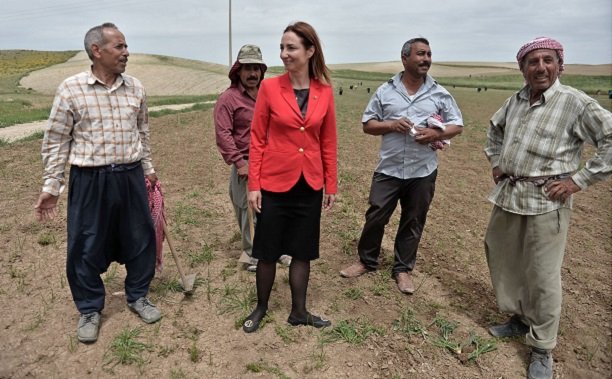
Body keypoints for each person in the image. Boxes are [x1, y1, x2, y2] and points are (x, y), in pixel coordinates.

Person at [483, 37, 611, 379]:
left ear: (559, 64)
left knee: (542, 274)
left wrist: (577, 181)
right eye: (533, 62)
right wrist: (496, 161)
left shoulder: (575, 103)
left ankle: (542, 347)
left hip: (547, 200)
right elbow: (494, 131)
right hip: (510, 194)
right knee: (504, 257)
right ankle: (519, 318)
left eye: (547, 60)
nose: (540, 67)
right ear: (522, 68)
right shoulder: (516, 100)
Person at [34, 22, 162, 344]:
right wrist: (52, 185)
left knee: (140, 238)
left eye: (125, 46)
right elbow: (56, 141)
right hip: (90, 180)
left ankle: (138, 296)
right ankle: (90, 308)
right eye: (119, 47)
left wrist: (148, 169)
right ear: (97, 50)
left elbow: (142, 134)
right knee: (84, 244)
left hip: (130, 176)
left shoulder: (136, 88)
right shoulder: (71, 89)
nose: (126, 52)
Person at [339, 37, 463, 295]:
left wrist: (436, 135)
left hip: (423, 171)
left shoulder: (439, 93)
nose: (426, 59)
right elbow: (367, 125)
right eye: (420, 54)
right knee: (376, 215)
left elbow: (457, 125)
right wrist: (392, 125)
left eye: (429, 54)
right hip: (389, 168)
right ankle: (366, 261)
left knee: (413, 220)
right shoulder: (385, 91)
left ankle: (403, 269)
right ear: (405, 58)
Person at [242, 21, 337, 333]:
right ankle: (261, 307)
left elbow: (328, 140)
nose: (283, 54)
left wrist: (330, 183)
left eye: (291, 47)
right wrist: (254, 185)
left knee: (302, 250)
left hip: (309, 184)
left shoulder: (324, 92)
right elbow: (257, 139)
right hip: (274, 183)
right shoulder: (270, 88)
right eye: (282, 47)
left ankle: (299, 311)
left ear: (309, 51)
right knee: (267, 250)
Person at [214, 44, 269, 272]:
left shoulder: (268, 94)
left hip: (270, 162)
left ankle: (273, 249)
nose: (252, 73)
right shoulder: (229, 99)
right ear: (238, 70)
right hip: (245, 162)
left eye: (256, 68)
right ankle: (252, 253)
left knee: (272, 208)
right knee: (246, 208)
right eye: (247, 68)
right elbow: (223, 134)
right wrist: (240, 163)